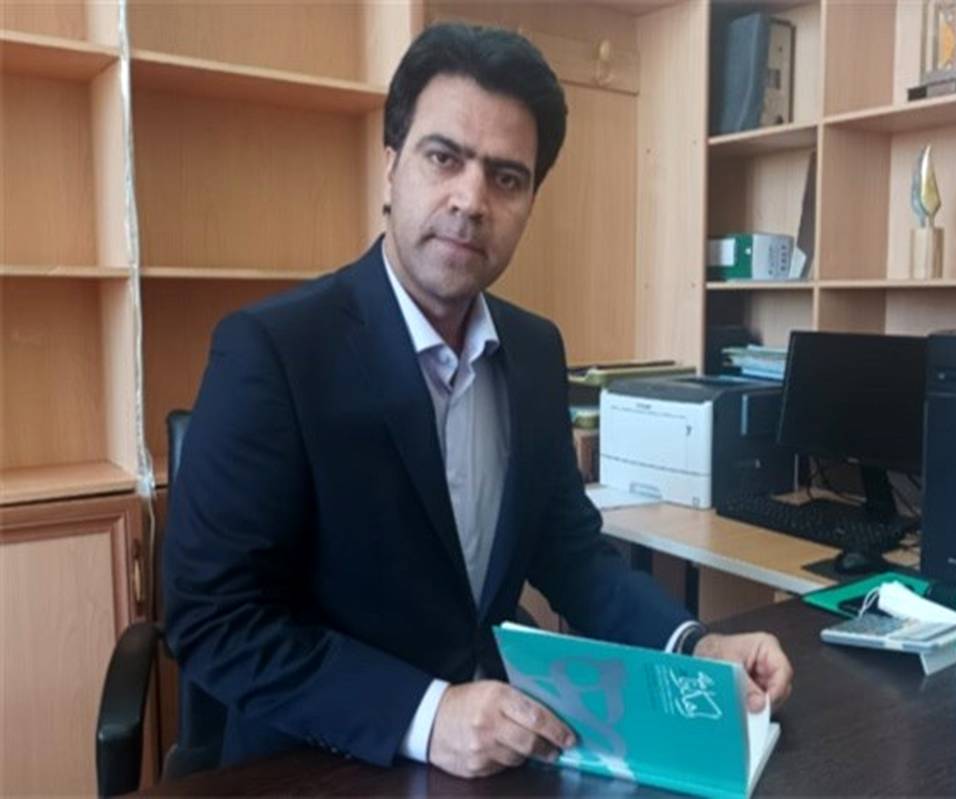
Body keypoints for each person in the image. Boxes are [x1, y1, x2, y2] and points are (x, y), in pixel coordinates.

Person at [164, 22, 793, 780]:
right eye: (443, 157)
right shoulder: (274, 351)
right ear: (391, 167)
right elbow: (214, 620)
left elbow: (569, 551)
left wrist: (695, 646)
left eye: (506, 177)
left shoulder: (534, 351)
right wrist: (427, 715)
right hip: (322, 759)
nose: (471, 199)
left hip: (498, 752)